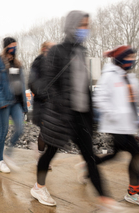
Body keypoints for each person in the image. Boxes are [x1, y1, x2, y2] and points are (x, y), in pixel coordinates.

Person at [30, 11, 116, 208]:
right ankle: (38, 187)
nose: (85, 30)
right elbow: (49, 85)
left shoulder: (81, 51)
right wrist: (61, 105)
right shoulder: (56, 52)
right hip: (61, 116)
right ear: (71, 26)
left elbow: (83, 86)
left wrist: (91, 114)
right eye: (81, 25)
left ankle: (105, 198)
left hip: (81, 116)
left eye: (87, 25)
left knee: (90, 157)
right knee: (50, 153)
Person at [93, 45, 139, 205]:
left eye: (133, 57)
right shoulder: (109, 76)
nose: (132, 60)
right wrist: (115, 114)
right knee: (137, 153)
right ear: (120, 59)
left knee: (115, 154)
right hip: (116, 126)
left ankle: (89, 167)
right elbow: (99, 99)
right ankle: (133, 191)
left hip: (127, 126)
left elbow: (133, 102)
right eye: (128, 57)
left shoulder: (128, 77)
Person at [0, 37, 28, 173]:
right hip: (4, 102)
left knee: (20, 128)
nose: (14, 48)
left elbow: (22, 85)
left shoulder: (18, 64)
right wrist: (0, 101)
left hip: (16, 102)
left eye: (15, 45)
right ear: (6, 47)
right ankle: (0, 161)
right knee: (4, 131)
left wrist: (24, 105)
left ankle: (8, 153)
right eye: (12, 45)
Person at [28, 41, 55, 170]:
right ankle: (41, 158)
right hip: (41, 102)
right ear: (44, 49)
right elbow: (31, 82)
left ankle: (43, 156)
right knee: (45, 130)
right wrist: (43, 95)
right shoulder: (37, 62)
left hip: (52, 103)